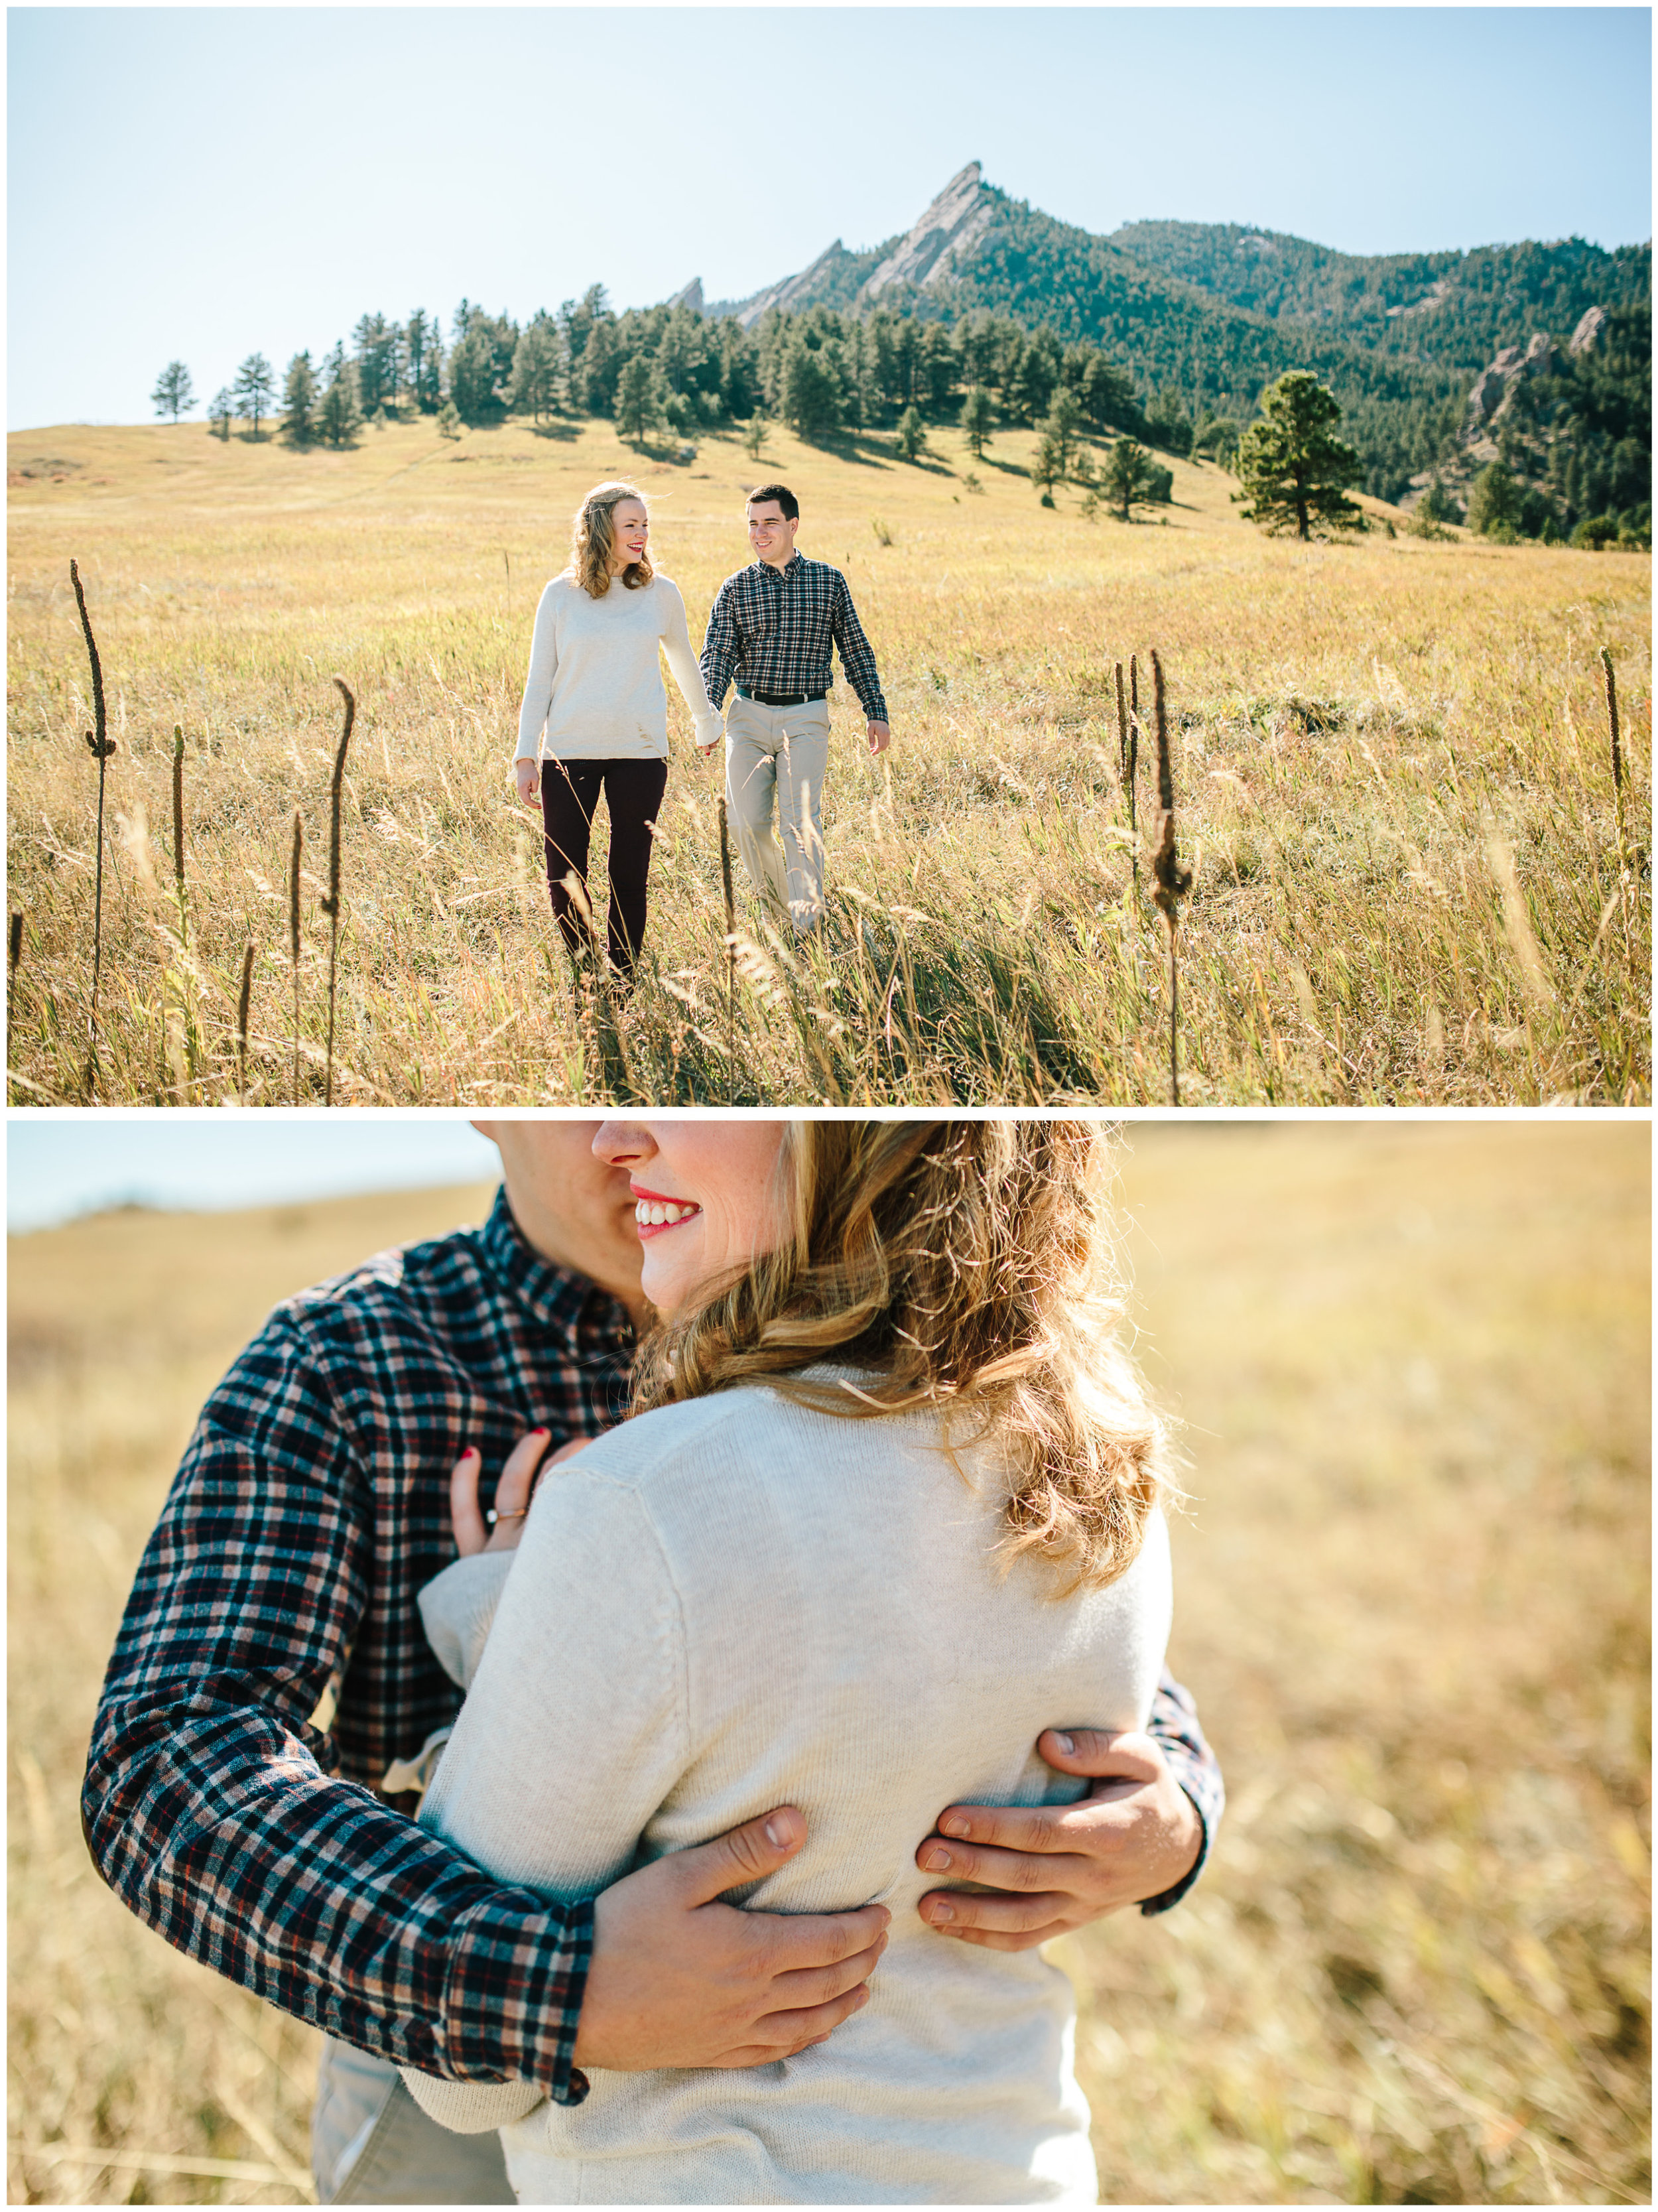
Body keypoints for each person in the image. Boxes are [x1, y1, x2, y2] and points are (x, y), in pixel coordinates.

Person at [84, 1122, 1222, 2207]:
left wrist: (1176, 1811)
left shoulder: (958, 1380)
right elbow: (169, 1752)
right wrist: (548, 1984)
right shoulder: (350, 1357)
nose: (629, 1137)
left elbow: (998, 1618)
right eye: (594, 1107)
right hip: (429, 2029)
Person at [401, 1120, 1198, 2204]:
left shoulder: (645, 1502)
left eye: (698, 1096)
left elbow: (460, 2078)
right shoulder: (1107, 1479)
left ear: (852, 1140)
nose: (620, 1137)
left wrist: (498, 1619)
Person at [513, 482, 723, 980]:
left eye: (646, 525)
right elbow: (539, 677)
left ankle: (624, 978)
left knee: (629, 875)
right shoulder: (560, 595)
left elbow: (683, 661)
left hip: (641, 753)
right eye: (631, 524)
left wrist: (707, 719)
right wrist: (526, 754)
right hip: (569, 751)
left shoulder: (660, 593)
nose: (642, 534)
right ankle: (590, 974)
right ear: (601, 527)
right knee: (564, 877)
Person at [699, 484, 890, 936]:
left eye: (769, 522)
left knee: (800, 824)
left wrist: (875, 709)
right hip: (747, 717)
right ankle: (779, 912)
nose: (759, 532)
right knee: (745, 823)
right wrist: (707, 710)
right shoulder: (736, 588)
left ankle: (807, 927)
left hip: (806, 717)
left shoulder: (828, 581)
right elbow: (718, 656)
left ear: (793, 525)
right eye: (752, 523)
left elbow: (856, 650)